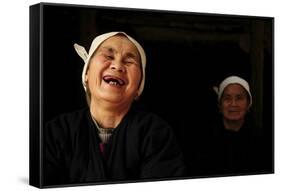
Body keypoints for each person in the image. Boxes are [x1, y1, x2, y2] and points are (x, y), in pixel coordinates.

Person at [43, 32, 186, 186]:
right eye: (108, 57)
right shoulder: (56, 132)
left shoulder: (155, 133)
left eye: (129, 61)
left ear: (139, 87)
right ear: (86, 73)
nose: (117, 66)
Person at [209, 75, 261, 175]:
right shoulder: (205, 141)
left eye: (239, 98)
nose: (233, 104)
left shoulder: (262, 142)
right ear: (220, 105)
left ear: (248, 104)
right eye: (227, 99)